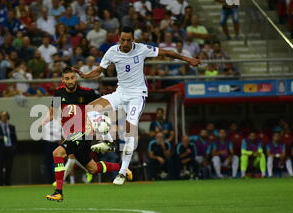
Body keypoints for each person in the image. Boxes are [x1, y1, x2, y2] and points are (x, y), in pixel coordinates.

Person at [73, 26, 200, 185]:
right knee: (90, 109)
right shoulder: (112, 51)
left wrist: (188, 60)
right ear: (118, 37)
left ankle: (122, 172)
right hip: (121, 92)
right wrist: (85, 75)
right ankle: (108, 141)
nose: (125, 43)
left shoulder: (141, 49)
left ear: (133, 39)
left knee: (129, 131)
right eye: (122, 39)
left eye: (128, 40)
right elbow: (100, 70)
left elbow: (167, 53)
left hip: (137, 95)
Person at [43, 67, 127, 202]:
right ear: (62, 79)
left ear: (76, 78)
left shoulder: (88, 93)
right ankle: (123, 167)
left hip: (84, 132)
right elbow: (53, 112)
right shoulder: (58, 93)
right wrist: (44, 120)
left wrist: (110, 122)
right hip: (70, 135)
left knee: (57, 153)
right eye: (67, 78)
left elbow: (107, 103)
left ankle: (58, 191)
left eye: (72, 77)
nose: (70, 81)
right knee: (92, 168)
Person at [0, 111, 17, 186]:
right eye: (2, 116)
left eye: (5, 116)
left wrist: (14, 147)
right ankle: (0, 183)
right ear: (0, 118)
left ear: (8, 117)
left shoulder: (12, 127)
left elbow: (15, 139)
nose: (4, 117)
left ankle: (8, 183)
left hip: (9, 148)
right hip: (0, 150)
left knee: (9, 167)